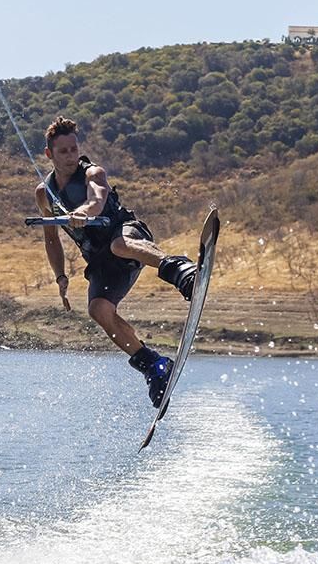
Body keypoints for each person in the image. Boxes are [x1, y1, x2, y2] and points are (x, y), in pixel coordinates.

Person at [33, 116, 197, 408]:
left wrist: (84, 211)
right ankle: (153, 366)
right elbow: (51, 239)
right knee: (98, 309)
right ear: (49, 154)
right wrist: (60, 277)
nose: (71, 156)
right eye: (63, 151)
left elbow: (97, 199)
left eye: (74, 149)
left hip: (127, 234)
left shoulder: (92, 173)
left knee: (119, 244)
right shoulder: (44, 193)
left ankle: (182, 271)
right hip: (101, 261)